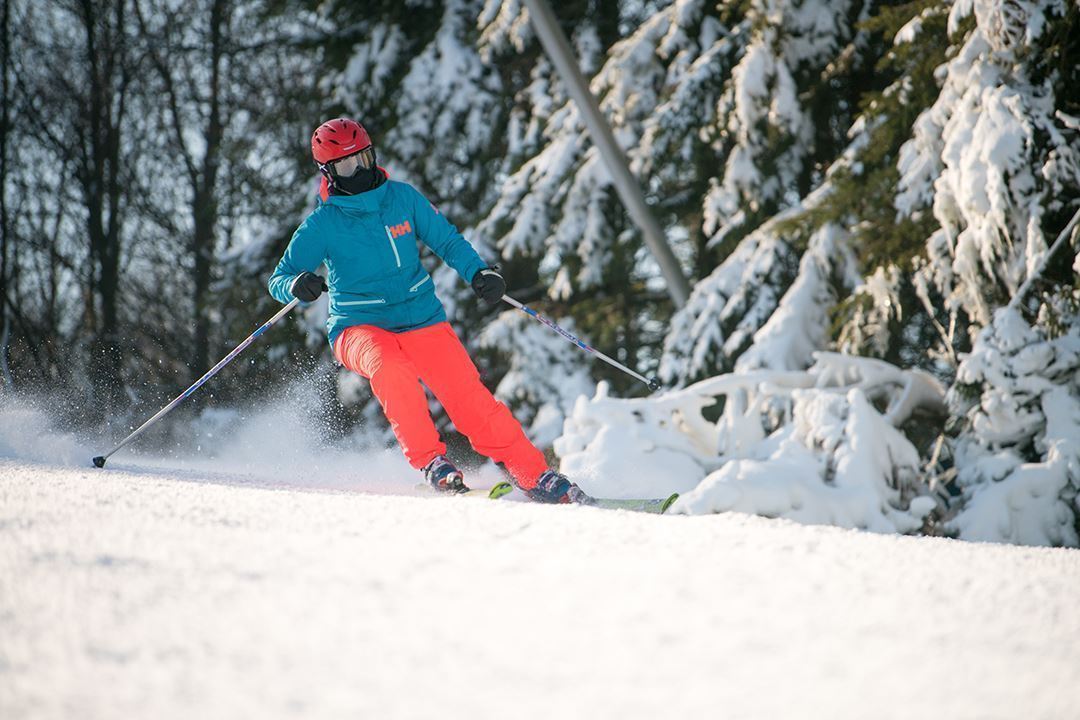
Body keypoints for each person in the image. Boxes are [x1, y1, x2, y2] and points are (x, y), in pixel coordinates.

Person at [268, 117, 592, 504]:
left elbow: (448, 241)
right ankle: (432, 462)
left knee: (469, 398)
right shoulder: (323, 224)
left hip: (421, 318)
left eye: (364, 159)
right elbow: (280, 277)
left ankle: (535, 474)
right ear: (329, 173)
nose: (360, 172)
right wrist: (296, 284)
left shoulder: (402, 199)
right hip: (358, 326)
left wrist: (480, 272)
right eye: (347, 167)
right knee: (390, 366)